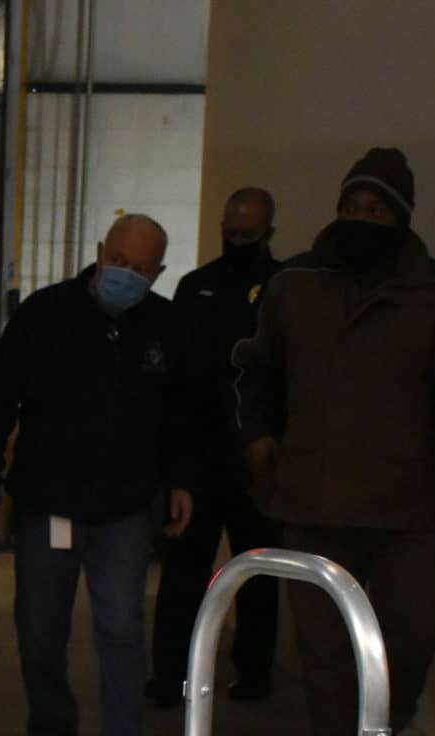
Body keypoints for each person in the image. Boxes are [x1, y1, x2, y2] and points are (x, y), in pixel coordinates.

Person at [234, 147, 435, 736]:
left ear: (401, 217)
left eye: (375, 209)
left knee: (413, 630)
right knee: (322, 648)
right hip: (312, 497)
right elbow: (254, 368)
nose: (360, 219)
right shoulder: (296, 284)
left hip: (408, 502)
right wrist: (256, 433)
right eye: (351, 206)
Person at [0, 213, 193, 736]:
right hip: (50, 504)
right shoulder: (45, 316)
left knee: (121, 630)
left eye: (142, 268)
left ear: (159, 272)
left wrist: (179, 482)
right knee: (41, 628)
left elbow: (178, 415)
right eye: (119, 260)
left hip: (124, 507)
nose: (127, 274)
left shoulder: (164, 327)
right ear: (99, 252)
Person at [148, 186, 283, 706]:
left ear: (268, 232)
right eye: (231, 232)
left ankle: (253, 675)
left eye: (248, 234)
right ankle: (170, 678)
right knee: (184, 572)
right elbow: (178, 381)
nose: (238, 240)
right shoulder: (197, 287)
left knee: (259, 573)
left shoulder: (283, 289)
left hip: (256, 459)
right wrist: (176, 465)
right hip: (201, 459)